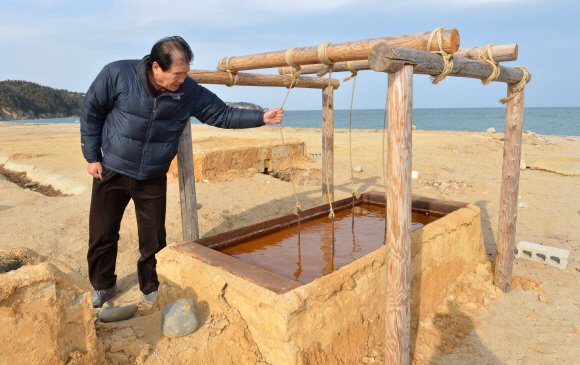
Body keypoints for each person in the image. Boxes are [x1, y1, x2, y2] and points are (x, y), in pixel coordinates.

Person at [80, 36, 284, 308]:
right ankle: (103, 285)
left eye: (186, 73)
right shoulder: (116, 74)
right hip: (111, 169)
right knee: (103, 233)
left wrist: (260, 117)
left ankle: (151, 287)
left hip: (152, 175)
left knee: (153, 239)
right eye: (178, 74)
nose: (182, 79)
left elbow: (220, 114)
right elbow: (91, 112)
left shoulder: (187, 90)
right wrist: (92, 156)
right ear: (156, 68)